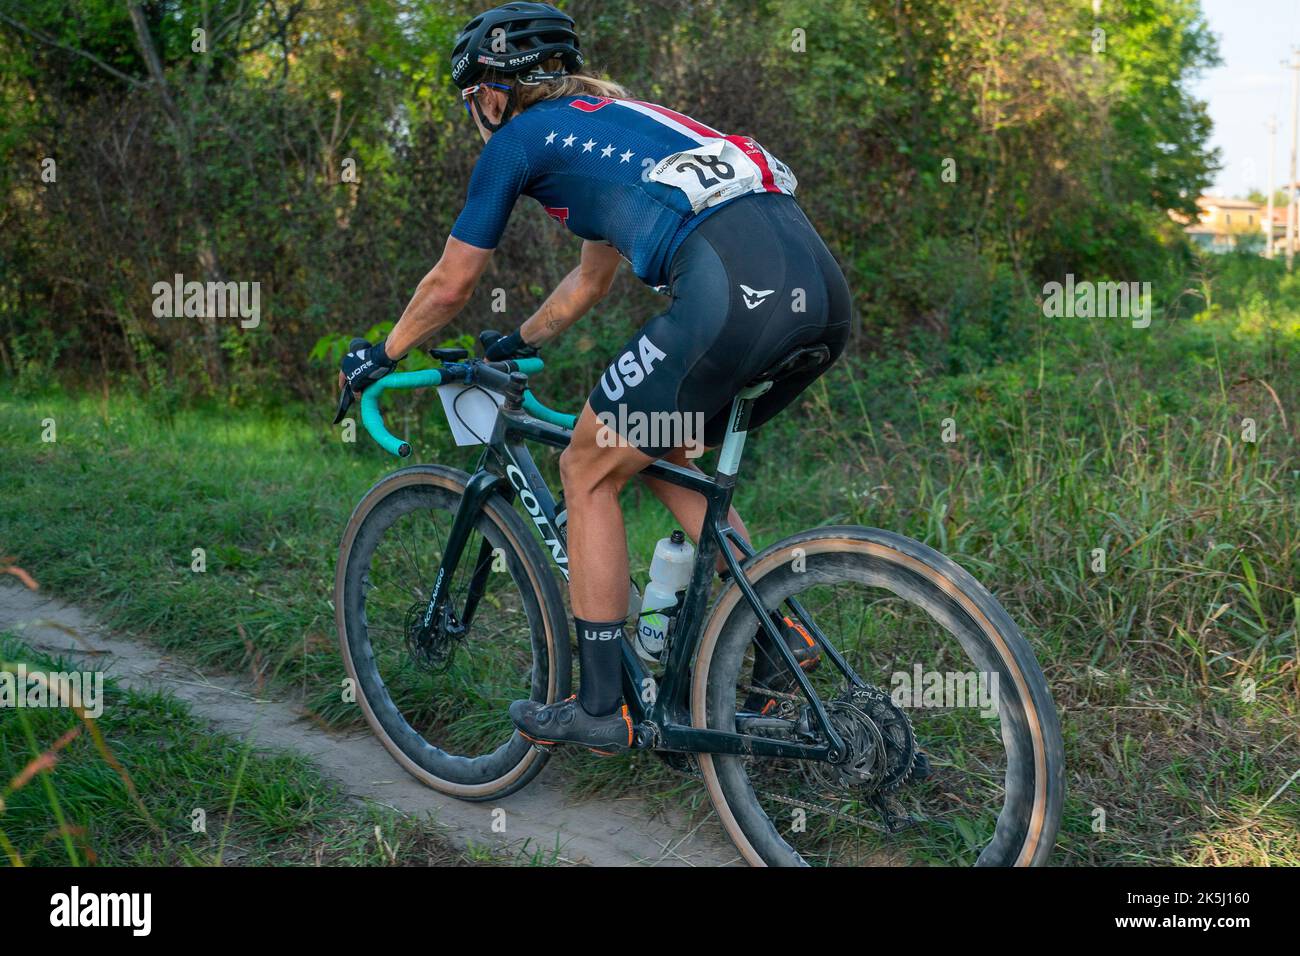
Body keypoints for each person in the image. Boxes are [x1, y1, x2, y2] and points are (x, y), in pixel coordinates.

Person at [338, 2, 851, 756]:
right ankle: (781, 634)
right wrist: (518, 338)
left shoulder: (518, 139)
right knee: (660, 450)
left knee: (585, 465)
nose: (475, 110)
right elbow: (589, 283)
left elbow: (449, 284)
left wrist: (380, 354)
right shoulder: (621, 120)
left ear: (492, 89)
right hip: (821, 294)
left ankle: (603, 707)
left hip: (729, 295)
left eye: (471, 95)